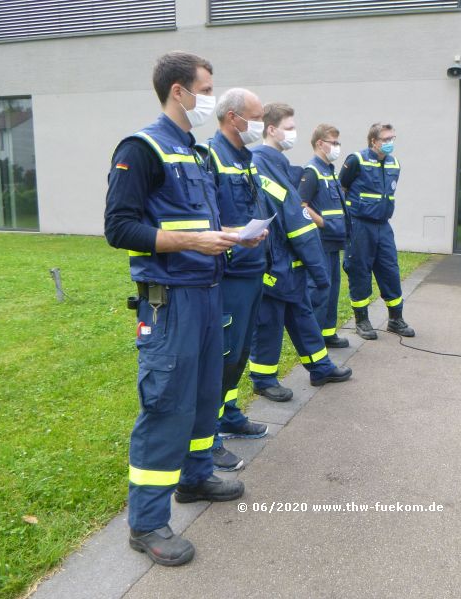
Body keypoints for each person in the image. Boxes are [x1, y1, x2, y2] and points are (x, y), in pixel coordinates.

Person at [104, 52, 261, 566]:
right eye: (206, 88)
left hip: (207, 292)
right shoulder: (142, 147)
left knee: (203, 394)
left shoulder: (193, 152)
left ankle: (194, 478)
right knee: (166, 406)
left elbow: (199, 221)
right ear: (179, 90)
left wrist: (232, 239)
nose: (210, 99)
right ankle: (146, 524)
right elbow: (119, 228)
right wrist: (194, 240)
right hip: (170, 304)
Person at [248, 103, 352, 398]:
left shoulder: (275, 162)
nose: (294, 133)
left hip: (288, 261)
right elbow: (295, 221)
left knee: (302, 315)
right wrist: (319, 271)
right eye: (290, 128)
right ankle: (263, 379)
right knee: (269, 321)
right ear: (271, 129)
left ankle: (320, 367)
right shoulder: (263, 162)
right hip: (275, 261)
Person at [197, 88, 270, 472]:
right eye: (257, 117)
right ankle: (206, 438)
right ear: (232, 117)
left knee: (239, 351)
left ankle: (229, 414)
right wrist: (238, 234)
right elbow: (205, 221)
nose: (261, 124)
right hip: (229, 272)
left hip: (252, 267)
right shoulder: (210, 157)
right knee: (221, 354)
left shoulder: (246, 158)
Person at [339, 123, 415, 340]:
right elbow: (341, 189)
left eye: (393, 138)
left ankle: (395, 319)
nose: (390, 143)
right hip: (359, 225)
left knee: (390, 269)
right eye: (386, 139)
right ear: (373, 141)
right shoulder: (356, 160)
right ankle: (362, 321)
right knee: (359, 270)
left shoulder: (394, 164)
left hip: (383, 226)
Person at [298, 124, 349, 349]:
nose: (337, 147)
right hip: (320, 241)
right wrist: (325, 224)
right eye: (333, 143)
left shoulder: (330, 170)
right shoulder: (312, 171)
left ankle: (328, 334)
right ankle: (315, 340)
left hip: (334, 242)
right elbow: (301, 205)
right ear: (320, 143)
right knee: (319, 292)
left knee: (332, 290)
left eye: (338, 143)